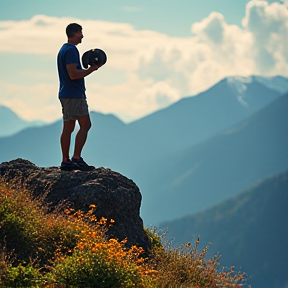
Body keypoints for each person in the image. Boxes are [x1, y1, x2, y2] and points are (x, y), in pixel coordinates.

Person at [57, 23, 100, 171]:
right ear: (75, 33)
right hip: (74, 95)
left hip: (67, 94)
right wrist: (91, 69)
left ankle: (66, 161)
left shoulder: (64, 49)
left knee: (68, 127)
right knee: (86, 125)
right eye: (81, 32)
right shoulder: (71, 50)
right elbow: (73, 74)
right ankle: (75, 159)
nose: (82, 35)